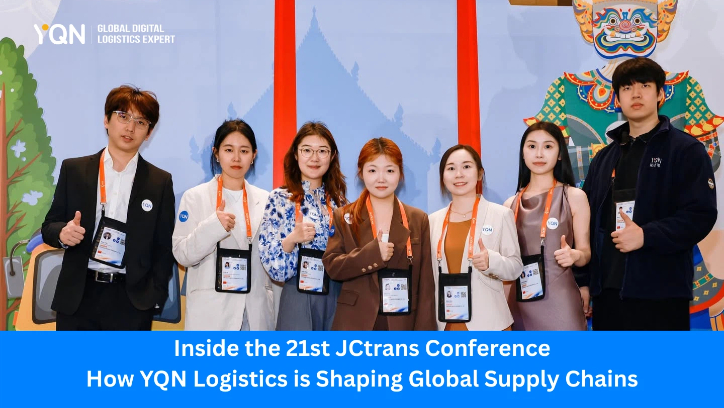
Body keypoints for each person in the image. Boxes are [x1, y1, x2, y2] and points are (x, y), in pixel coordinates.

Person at [580, 57, 717, 330]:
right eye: (627, 88)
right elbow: (585, 223)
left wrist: (646, 235)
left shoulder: (685, 150)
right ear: (617, 99)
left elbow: (700, 214)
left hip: (661, 294)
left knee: (660, 360)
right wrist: (583, 281)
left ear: (660, 94)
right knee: (612, 361)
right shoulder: (604, 158)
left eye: (645, 85)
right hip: (607, 294)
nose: (636, 94)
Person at [41, 85, 175, 330]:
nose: (130, 127)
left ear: (149, 133)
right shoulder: (75, 170)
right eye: (123, 116)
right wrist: (62, 233)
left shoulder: (159, 181)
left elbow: (164, 247)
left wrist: (152, 295)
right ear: (106, 120)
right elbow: (49, 226)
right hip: (78, 297)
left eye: (141, 122)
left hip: (131, 302)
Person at [322, 137, 436, 330]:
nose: (381, 179)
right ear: (361, 173)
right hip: (355, 323)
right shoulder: (344, 216)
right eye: (372, 170)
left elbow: (425, 287)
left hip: (402, 323)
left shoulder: (418, 219)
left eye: (389, 170)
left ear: (400, 174)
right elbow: (333, 267)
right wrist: (373, 255)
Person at [173, 119, 275, 330]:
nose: (236, 158)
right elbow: (182, 254)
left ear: (253, 155)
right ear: (216, 153)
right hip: (212, 313)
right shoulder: (195, 197)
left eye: (244, 151)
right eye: (229, 150)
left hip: (255, 313)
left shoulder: (267, 200)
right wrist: (213, 226)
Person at [259, 122, 347, 330]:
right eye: (307, 150)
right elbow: (274, 268)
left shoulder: (341, 203)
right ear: (296, 154)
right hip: (297, 293)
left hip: (336, 293)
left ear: (332, 156)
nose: (314, 158)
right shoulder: (279, 199)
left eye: (322, 151)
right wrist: (292, 239)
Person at [503, 122, 590, 330]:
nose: (539, 154)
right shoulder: (509, 205)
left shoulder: (574, 197)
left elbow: (586, 252)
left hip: (561, 303)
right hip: (519, 304)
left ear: (559, 154)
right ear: (523, 153)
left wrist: (575, 255)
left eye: (548, 146)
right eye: (532, 146)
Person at [429, 145, 523, 331]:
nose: (459, 174)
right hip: (445, 324)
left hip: (491, 325)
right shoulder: (432, 221)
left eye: (466, 167)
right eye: (451, 168)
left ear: (480, 173)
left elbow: (515, 267)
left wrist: (491, 262)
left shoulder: (500, 215)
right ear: (443, 176)